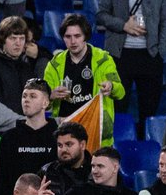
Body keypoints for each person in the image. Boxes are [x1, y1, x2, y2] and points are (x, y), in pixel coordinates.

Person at [42, 13, 124, 145]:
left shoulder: (103, 60)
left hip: (96, 132)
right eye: (68, 36)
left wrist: (112, 87)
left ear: (85, 36)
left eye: (77, 36)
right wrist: (50, 96)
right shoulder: (54, 65)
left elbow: (120, 93)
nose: (73, 41)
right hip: (64, 133)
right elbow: (43, 103)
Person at [96, 0, 166, 137]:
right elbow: (101, 15)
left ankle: (145, 147)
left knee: (149, 111)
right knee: (117, 110)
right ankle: (114, 146)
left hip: (151, 56)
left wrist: (161, 52)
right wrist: (123, 25)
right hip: (119, 56)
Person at [0, 78, 57, 195]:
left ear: (45, 103)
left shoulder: (56, 137)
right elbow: (1, 182)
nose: (26, 100)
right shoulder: (10, 138)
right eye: (24, 96)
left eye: (33, 96)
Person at [0, 16, 37, 114]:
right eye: (13, 38)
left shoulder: (25, 66)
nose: (18, 43)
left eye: (22, 39)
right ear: (3, 40)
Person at [38, 121, 90, 195]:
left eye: (68, 144)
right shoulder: (47, 171)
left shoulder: (95, 172)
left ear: (82, 145)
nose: (63, 149)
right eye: (60, 145)